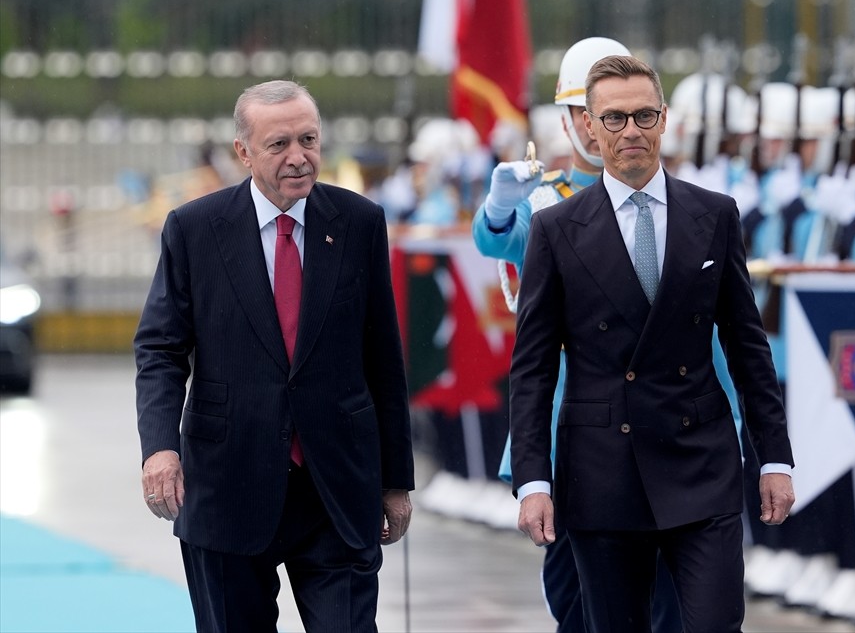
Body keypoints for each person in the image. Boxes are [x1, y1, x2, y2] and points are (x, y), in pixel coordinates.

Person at [509, 54, 795, 633]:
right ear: (589, 126)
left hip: (700, 458)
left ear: (664, 119)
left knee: (716, 623)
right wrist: (532, 479)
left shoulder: (713, 215)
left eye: (643, 115)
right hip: (602, 468)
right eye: (614, 118)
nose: (631, 131)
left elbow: (747, 345)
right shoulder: (556, 229)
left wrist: (776, 457)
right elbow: (534, 367)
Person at [134, 79, 414, 632]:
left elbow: (383, 356)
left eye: (308, 139)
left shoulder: (358, 223)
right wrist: (159, 449)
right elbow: (161, 349)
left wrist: (396, 481)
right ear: (244, 152)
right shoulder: (194, 229)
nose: (298, 157)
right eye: (279, 144)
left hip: (336, 486)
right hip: (227, 485)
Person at [475, 36, 684, 633]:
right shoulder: (545, 200)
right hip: (572, 430)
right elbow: (494, 240)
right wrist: (498, 207)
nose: (603, 132)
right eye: (588, 117)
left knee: (667, 603)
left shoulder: (671, 199)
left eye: (627, 115)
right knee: (578, 601)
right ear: (573, 121)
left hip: (660, 425)